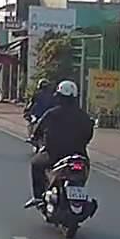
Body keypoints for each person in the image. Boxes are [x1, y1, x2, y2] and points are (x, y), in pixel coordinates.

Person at [26, 80, 95, 208]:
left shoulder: (51, 114)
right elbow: (89, 136)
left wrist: (34, 138)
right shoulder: (84, 116)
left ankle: (38, 197)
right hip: (79, 155)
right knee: (83, 170)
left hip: (54, 155)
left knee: (35, 164)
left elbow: (37, 131)